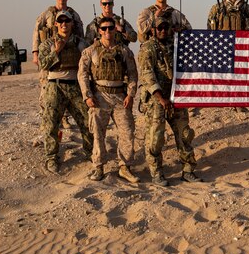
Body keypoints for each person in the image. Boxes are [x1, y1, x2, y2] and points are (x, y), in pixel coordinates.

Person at [137, 18, 200, 186]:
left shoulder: (177, 46)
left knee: (184, 134)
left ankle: (188, 170)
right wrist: (161, 98)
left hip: (176, 97)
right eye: (160, 28)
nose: (163, 30)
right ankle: (156, 173)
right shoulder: (148, 49)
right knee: (156, 137)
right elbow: (147, 75)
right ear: (153, 30)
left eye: (166, 27)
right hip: (156, 99)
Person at [78, 17, 139, 183]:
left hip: (120, 97)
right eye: (104, 28)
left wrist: (130, 94)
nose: (107, 31)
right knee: (98, 133)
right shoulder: (90, 51)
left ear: (114, 29)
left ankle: (125, 167)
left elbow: (133, 74)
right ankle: (98, 167)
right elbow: (82, 75)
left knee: (127, 131)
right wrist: (87, 96)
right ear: (99, 30)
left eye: (110, 28)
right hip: (99, 96)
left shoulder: (124, 51)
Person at [37, 11, 93, 174]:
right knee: (51, 123)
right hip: (55, 86)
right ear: (55, 24)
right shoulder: (47, 44)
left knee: (86, 120)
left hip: (75, 86)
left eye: (67, 21)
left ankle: (90, 152)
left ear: (71, 24)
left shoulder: (80, 43)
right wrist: (57, 50)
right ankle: (51, 157)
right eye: (60, 21)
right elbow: (43, 65)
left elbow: (90, 63)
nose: (63, 24)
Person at [32, 0, 85, 85]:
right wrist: (35, 53)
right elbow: (36, 31)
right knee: (46, 82)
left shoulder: (73, 15)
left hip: (69, 52)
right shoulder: (47, 14)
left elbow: (80, 33)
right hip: (50, 51)